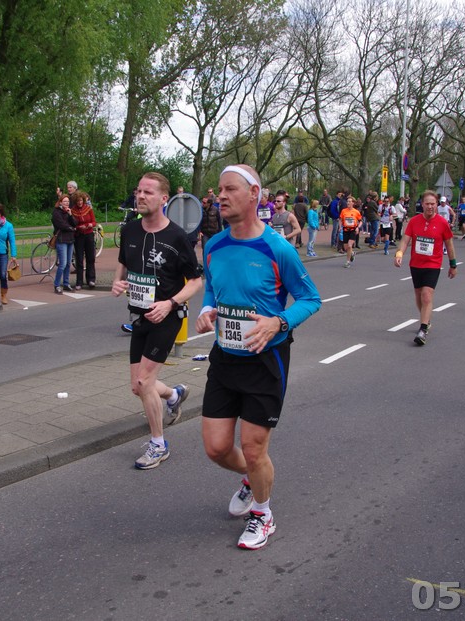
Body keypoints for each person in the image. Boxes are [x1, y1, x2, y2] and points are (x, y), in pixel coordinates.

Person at [195, 164, 321, 549]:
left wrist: (278, 322)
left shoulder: (277, 248)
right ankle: (252, 478)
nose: (221, 195)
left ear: (254, 194)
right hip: (225, 356)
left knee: (253, 447)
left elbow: (311, 299)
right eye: (219, 189)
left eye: (230, 189)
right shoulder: (214, 246)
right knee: (216, 448)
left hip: (266, 360)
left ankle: (263, 515)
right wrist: (207, 309)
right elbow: (212, 288)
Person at [110, 172, 202, 470]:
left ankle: (158, 444)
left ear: (164, 199)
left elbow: (196, 281)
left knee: (144, 381)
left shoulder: (177, 237)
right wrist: (117, 281)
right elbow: (123, 262)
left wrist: (171, 303)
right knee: (137, 387)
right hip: (139, 316)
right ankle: (174, 394)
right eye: (138, 191)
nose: (140, 196)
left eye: (148, 192)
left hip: (167, 317)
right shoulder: (130, 230)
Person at [392, 190, 457, 345]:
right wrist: (399, 254)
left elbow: (449, 244)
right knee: (419, 294)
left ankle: (422, 329)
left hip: (433, 264)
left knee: (427, 295)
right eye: (427, 203)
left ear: (437, 205)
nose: (430, 206)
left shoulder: (442, 223)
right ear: (422, 204)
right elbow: (405, 240)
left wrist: (453, 264)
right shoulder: (414, 221)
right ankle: (426, 319)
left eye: (433, 204)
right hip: (416, 264)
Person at [72, 191, 97, 290]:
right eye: (78, 201)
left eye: (81, 200)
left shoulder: (88, 208)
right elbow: (73, 224)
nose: (80, 202)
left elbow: (94, 221)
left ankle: (91, 279)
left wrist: (90, 225)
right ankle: (79, 282)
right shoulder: (73, 211)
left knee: (90, 257)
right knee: (79, 259)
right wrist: (79, 227)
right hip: (79, 236)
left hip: (89, 234)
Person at [51, 194, 76, 294]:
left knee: (68, 263)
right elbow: (61, 225)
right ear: (60, 202)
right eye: (65, 201)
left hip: (70, 240)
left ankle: (66, 283)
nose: (67, 203)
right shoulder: (56, 212)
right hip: (61, 240)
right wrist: (71, 228)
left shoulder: (68, 212)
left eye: (68, 201)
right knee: (63, 264)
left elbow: (75, 223)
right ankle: (57, 284)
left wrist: (70, 215)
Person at [339, 195, 363, 267]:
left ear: (353, 203)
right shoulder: (343, 211)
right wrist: (340, 227)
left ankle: (347, 262)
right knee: (346, 248)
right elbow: (340, 220)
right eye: (347, 201)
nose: (348, 203)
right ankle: (352, 253)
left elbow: (361, 221)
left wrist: (358, 227)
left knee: (350, 245)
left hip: (353, 230)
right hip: (345, 230)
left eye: (350, 201)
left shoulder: (356, 212)